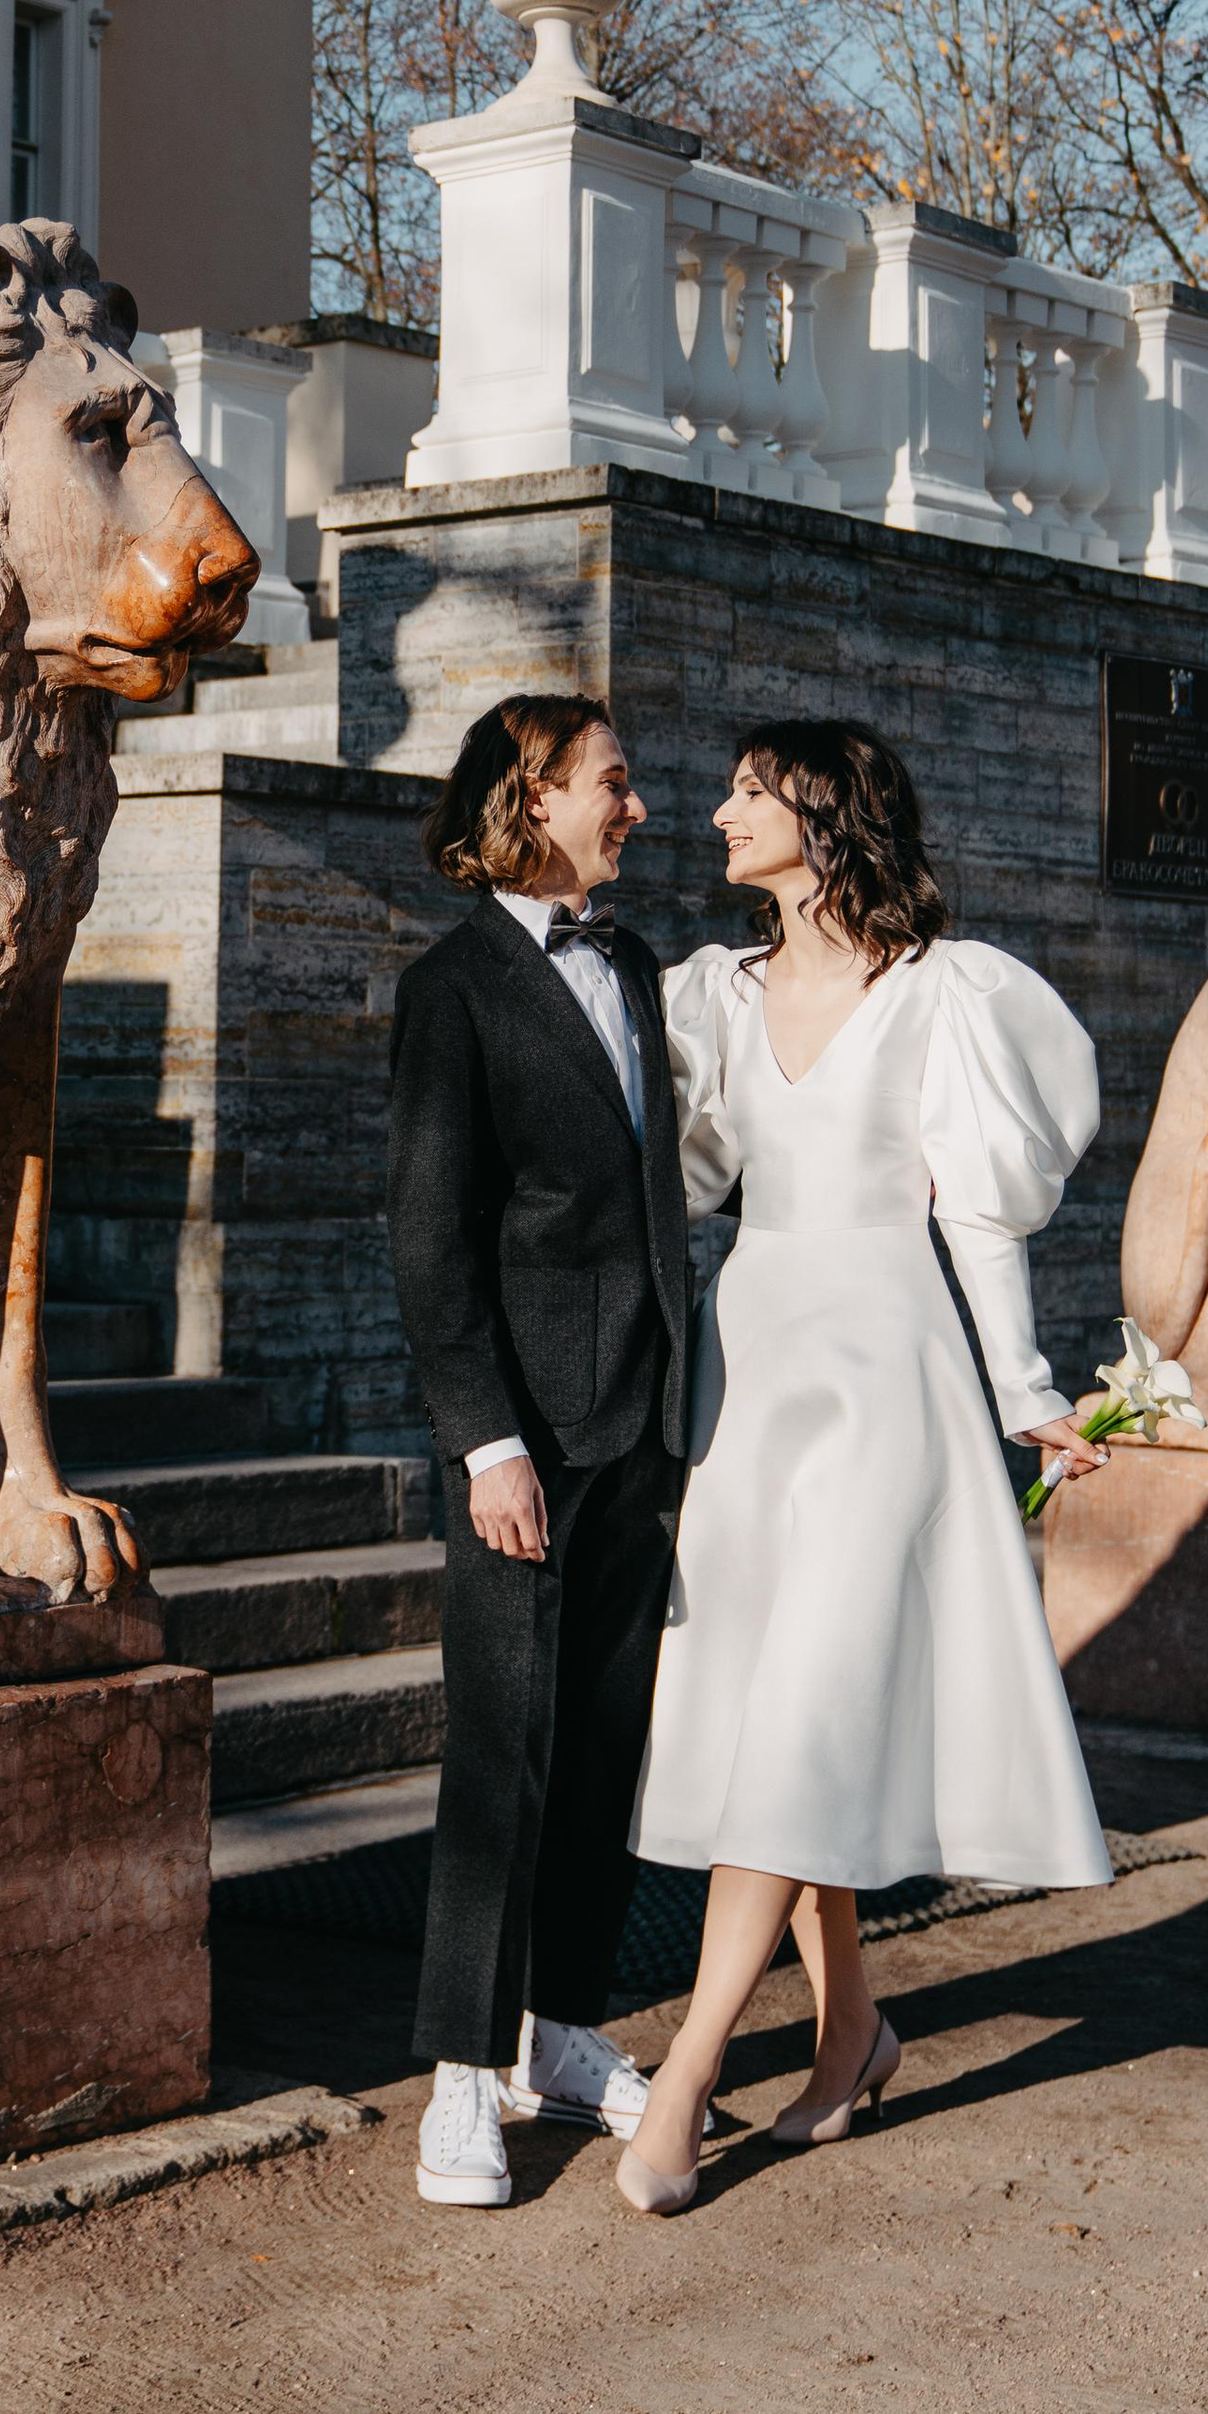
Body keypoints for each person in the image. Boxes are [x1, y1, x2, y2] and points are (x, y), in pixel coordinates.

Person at [619, 718, 1112, 2220]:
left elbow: (977, 1217)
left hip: (886, 1374)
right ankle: (850, 2038)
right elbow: (685, 1182)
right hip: (752, 1370)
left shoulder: (942, 994)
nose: (714, 815)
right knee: (790, 1716)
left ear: (823, 815)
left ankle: (691, 2070)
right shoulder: (716, 991)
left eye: (749, 794)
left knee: (811, 1706)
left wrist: (1024, 1390)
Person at [387, 695, 693, 2209]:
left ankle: (560, 2032)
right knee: (500, 1750)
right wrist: (486, 1444)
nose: (639, 804)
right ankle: (459, 2076)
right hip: (524, 1437)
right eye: (613, 782)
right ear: (536, 796)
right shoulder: (452, 990)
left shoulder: (632, 964)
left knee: (606, 1745)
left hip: (644, 1425)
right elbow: (433, 1243)